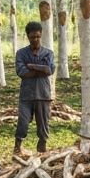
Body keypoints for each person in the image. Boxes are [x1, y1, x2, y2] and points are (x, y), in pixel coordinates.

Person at [13, 20, 55, 157]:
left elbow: (49, 70)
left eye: (37, 36)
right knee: (23, 122)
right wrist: (40, 69)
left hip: (43, 94)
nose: (35, 39)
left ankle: (42, 148)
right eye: (32, 37)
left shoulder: (48, 53)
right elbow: (22, 73)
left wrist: (31, 66)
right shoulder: (21, 53)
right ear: (28, 37)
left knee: (43, 126)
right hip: (26, 95)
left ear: (41, 35)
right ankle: (17, 146)